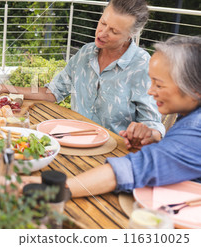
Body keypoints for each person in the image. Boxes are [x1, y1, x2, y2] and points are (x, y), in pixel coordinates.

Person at [0, 0, 165, 147]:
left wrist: (147, 133)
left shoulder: (142, 66)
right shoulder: (85, 53)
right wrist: (3, 88)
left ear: (131, 35)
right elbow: (51, 93)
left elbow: (153, 126)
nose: (102, 32)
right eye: (103, 22)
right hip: (73, 143)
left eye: (114, 31)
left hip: (116, 152)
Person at [67, 36, 201, 197]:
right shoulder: (189, 114)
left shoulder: (195, 128)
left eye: (158, 85)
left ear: (194, 89)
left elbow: (133, 169)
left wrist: (55, 189)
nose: (150, 91)